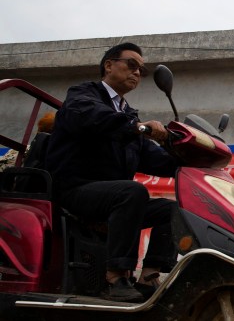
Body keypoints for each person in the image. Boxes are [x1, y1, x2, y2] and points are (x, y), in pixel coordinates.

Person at [46, 42, 179, 302]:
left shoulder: (128, 115)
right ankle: (116, 276)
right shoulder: (83, 95)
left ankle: (149, 277)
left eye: (141, 69)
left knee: (172, 210)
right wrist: (138, 127)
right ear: (109, 65)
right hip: (74, 190)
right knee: (133, 192)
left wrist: (187, 160)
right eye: (131, 65)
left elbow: (152, 157)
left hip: (110, 199)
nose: (137, 72)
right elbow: (93, 118)